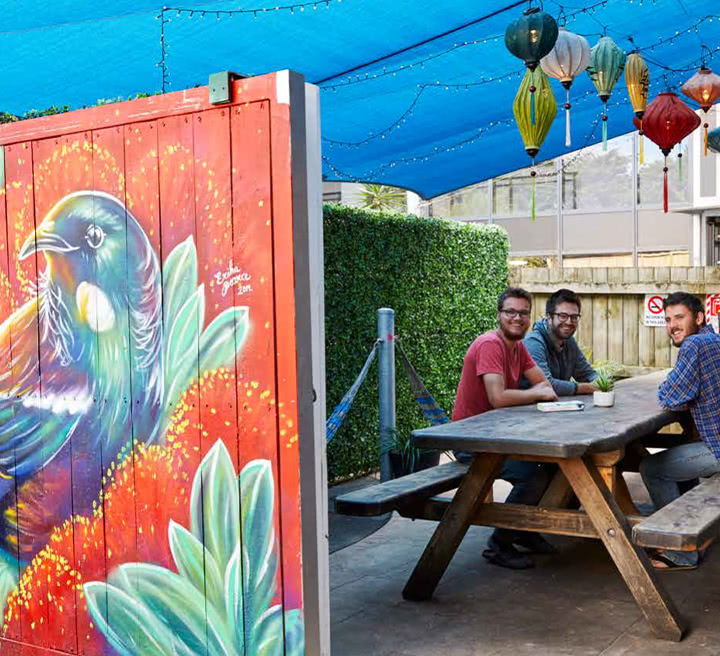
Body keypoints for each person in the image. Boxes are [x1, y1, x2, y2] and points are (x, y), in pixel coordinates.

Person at [453, 287, 559, 570]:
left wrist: (540, 391)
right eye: (510, 312)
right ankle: (498, 545)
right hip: (471, 441)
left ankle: (522, 530)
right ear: (499, 314)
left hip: (498, 436)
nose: (517, 318)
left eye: (523, 313)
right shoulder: (491, 344)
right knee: (533, 475)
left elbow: (544, 384)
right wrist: (537, 394)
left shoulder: (518, 347)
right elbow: (498, 398)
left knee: (553, 466)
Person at [639, 292, 720, 570]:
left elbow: (672, 395)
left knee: (652, 468)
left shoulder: (695, 344)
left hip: (718, 446)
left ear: (699, 318)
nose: (672, 325)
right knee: (677, 457)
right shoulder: (713, 341)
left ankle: (680, 552)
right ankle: (691, 534)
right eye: (668, 319)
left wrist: (671, 385)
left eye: (679, 317)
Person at [521, 288, 598, 396]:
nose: (569, 322)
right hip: (526, 410)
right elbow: (546, 385)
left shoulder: (569, 342)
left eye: (574, 317)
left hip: (557, 408)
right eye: (563, 316)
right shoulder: (533, 343)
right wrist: (585, 388)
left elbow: (587, 374)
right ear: (548, 316)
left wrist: (601, 383)